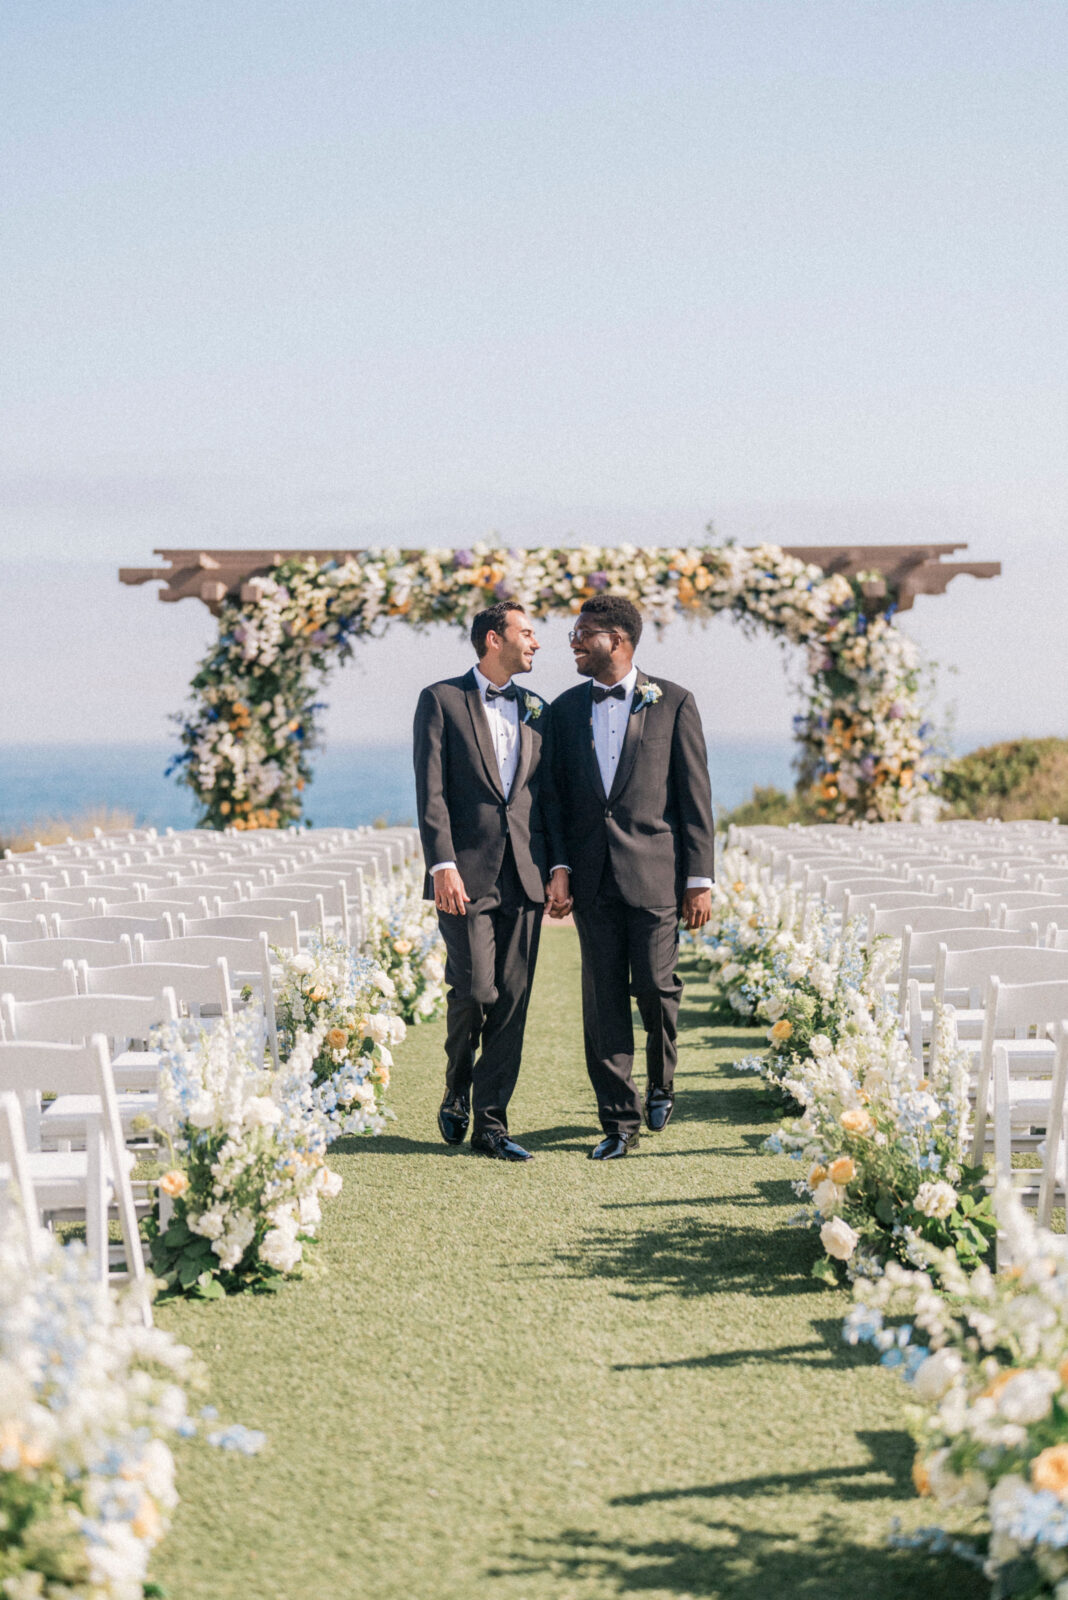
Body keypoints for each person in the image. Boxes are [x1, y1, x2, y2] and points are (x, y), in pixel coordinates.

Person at [544, 593, 715, 1159]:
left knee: (656, 988)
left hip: (657, 876)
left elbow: (695, 799)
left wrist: (699, 879)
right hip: (592, 879)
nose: (571, 640)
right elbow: (555, 801)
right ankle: (619, 1121)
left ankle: (662, 1082)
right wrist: (561, 868)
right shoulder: (563, 711)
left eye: (582, 631)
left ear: (615, 640)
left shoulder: (674, 702)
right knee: (604, 999)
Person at [412, 600, 551, 1162]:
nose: (536, 642)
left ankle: (491, 1125)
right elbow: (431, 790)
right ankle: (456, 1086)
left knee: (512, 1000)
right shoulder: (441, 699)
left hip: (526, 874)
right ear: (495, 639)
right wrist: (440, 863)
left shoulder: (538, 708)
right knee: (474, 991)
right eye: (527, 632)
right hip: (463, 876)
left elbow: (547, 800)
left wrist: (557, 867)